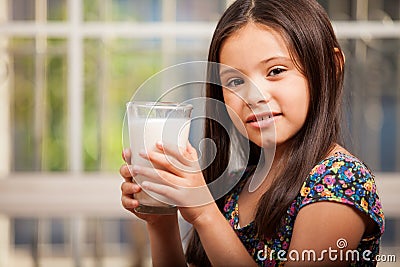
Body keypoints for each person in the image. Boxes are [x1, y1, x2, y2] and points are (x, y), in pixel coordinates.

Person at [119, 0, 385, 266]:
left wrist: (203, 212)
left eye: (276, 71)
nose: (253, 97)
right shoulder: (239, 182)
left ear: (331, 67)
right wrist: (161, 220)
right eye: (235, 81)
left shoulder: (339, 181)